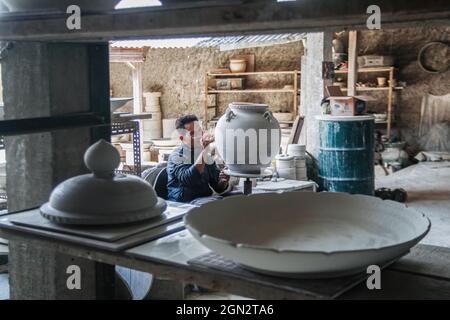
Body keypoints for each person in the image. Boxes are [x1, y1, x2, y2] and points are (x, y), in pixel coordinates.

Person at [167, 114, 230, 204]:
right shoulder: (176, 156)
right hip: (183, 203)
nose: (199, 136)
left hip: (203, 200)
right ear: (182, 138)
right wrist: (205, 150)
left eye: (199, 131)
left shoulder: (206, 155)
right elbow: (190, 179)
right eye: (192, 133)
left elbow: (217, 187)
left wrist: (222, 182)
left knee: (236, 199)